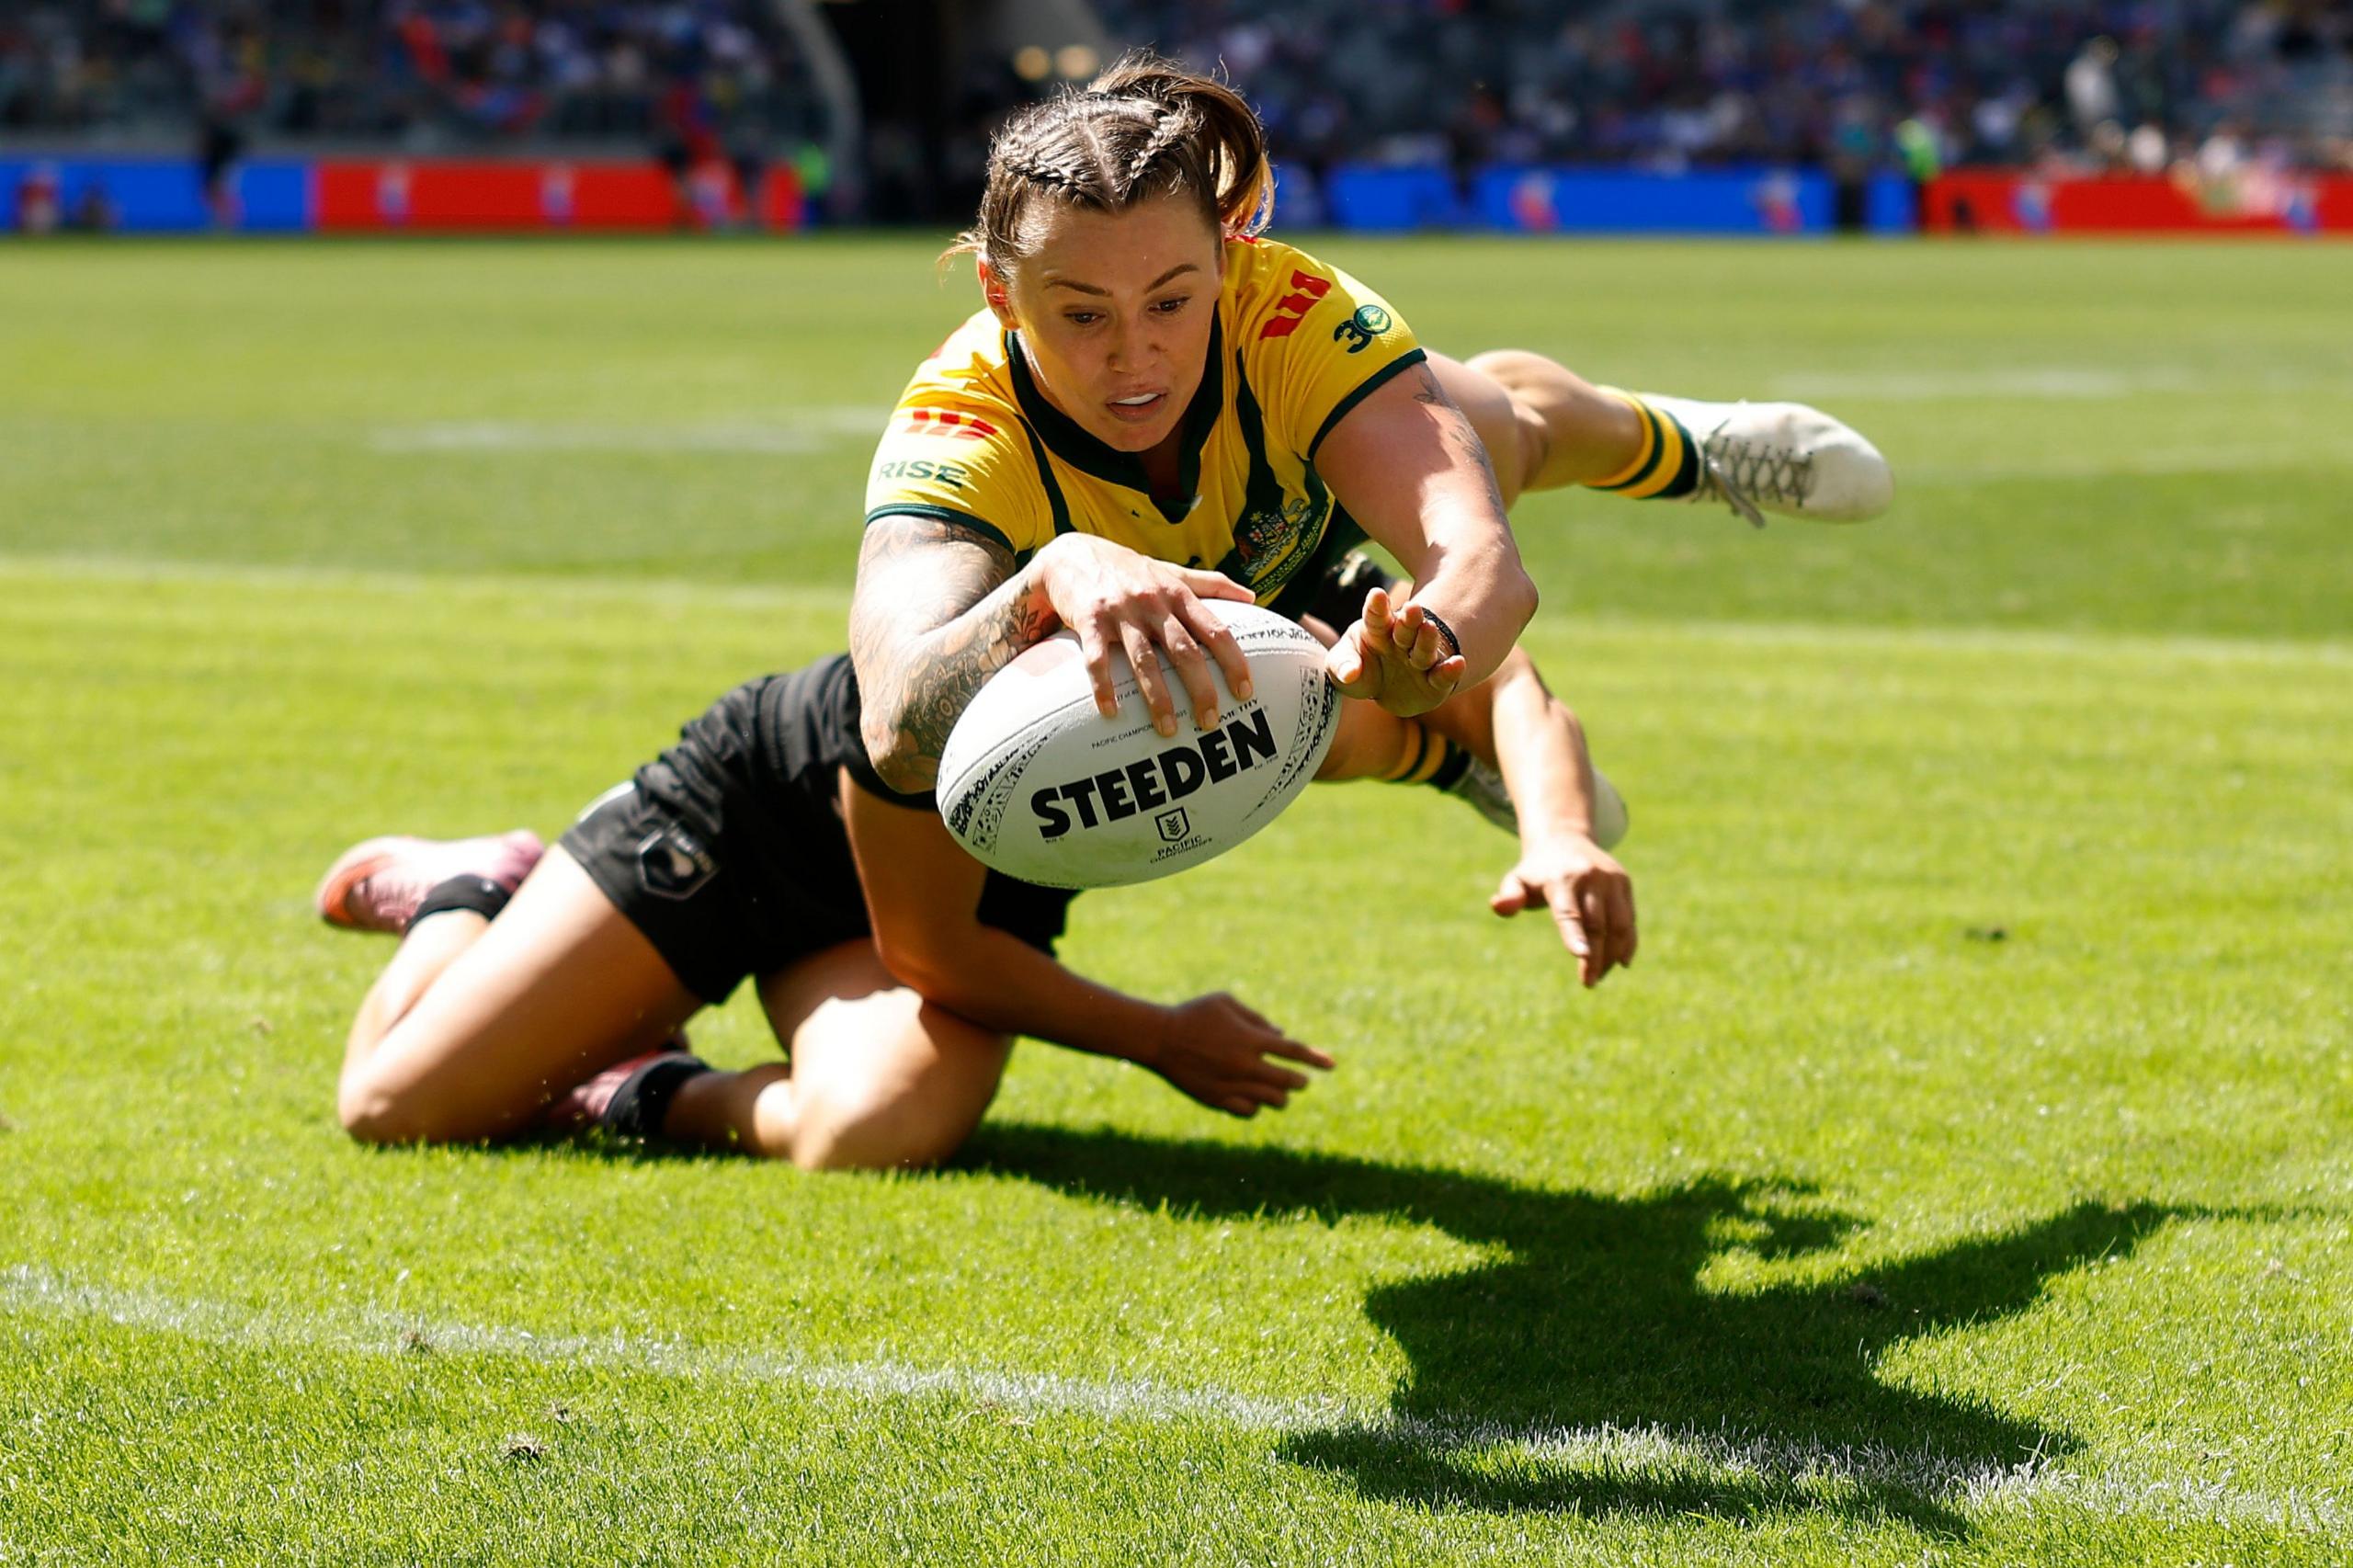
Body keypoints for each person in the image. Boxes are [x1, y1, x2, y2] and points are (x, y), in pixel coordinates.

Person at [319, 561, 1635, 1171]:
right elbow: (932, 958)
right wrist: (1156, 1034)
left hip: (911, 908)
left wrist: (1554, 827)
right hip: (752, 826)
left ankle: (627, 1083)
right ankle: (474, 887)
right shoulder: (1023, 626)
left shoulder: (1301, 669)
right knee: (393, 1104)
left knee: (873, 1133)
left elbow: (1503, 683)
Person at [849, 51, 1891, 800]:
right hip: (1225, 589)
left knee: (1507, 436)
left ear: (1227, 257)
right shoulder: (958, 429)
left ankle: (1682, 444)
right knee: (1297, 715)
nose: (1135, 354)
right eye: (1082, 315)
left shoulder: (1287, 312)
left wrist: (1435, 638)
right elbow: (893, 726)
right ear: (996, 291)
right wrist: (1049, 577)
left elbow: (1481, 559)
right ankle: (1454, 760)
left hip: (1304, 487)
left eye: (1172, 300)